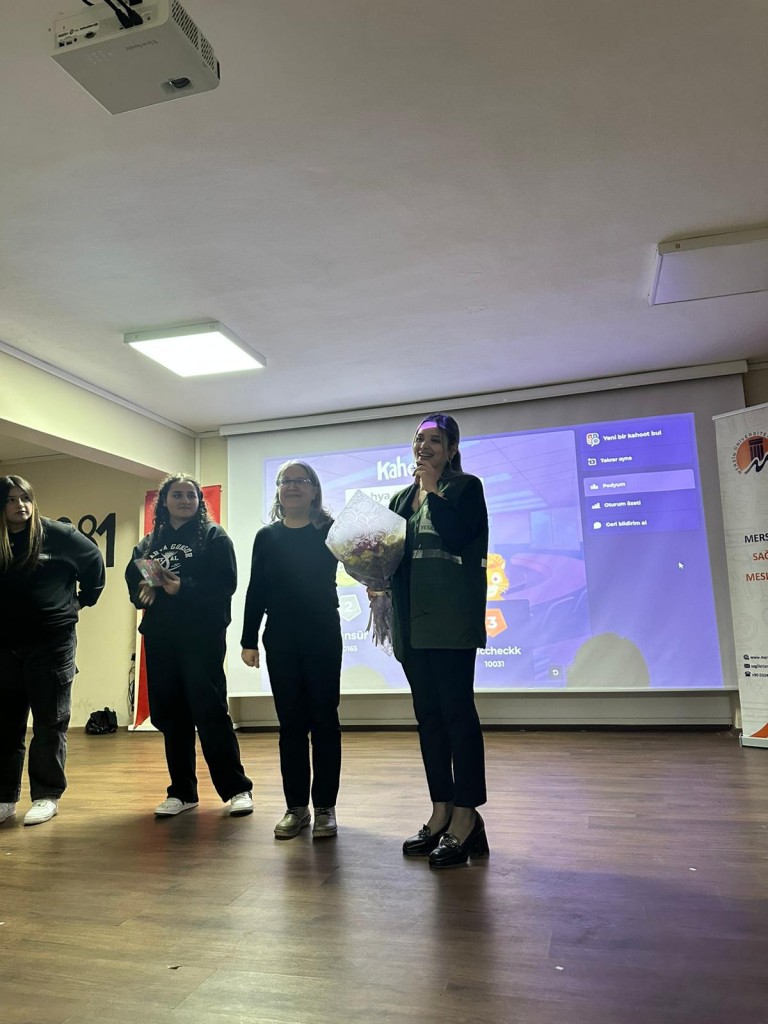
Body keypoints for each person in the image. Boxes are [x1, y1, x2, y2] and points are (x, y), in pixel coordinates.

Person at [388, 414, 490, 867]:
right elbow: (390, 554)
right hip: (411, 624)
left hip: (451, 622)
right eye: (419, 439)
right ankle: (441, 810)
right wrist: (373, 572)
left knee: (457, 716)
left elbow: (459, 537)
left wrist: (432, 490)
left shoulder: (466, 488)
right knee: (428, 718)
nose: (424, 446)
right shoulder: (399, 499)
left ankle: (467, 816)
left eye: (435, 440)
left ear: (451, 450)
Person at [125, 473, 253, 818]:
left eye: (191, 496)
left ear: (199, 502)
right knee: (171, 716)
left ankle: (237, 789)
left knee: (210, 711)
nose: (185, 501)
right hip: (161, 638)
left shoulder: (213, 536)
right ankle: (182, 792)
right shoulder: (148, 543)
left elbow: (226, 584)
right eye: (177, 495)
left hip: (201, 638)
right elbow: (134, 583)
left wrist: (183, 587)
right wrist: (143, 591)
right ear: (164, 502)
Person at [240, 461, 342, 840]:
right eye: (286, 481)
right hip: (281, 637)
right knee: (291, 725)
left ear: (314, 490)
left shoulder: (331, 530)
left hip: (323, 635)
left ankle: (325, 806)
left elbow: (364, 566)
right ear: (279, 491)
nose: (293, 487)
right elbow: (256, 589)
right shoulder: (267, 537)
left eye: (301, 481)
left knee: (325, 721)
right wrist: (248, 639)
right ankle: (296, 808)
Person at [0, 475, 105, 827]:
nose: (20, 505)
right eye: (11, 499)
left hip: (51, 643)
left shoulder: (57, 534)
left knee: (49, 721)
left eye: (25, 498)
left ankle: (46, 796)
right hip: (5, 645)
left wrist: (81, 600)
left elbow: (93, 562)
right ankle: (4, 798)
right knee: (6, 725)